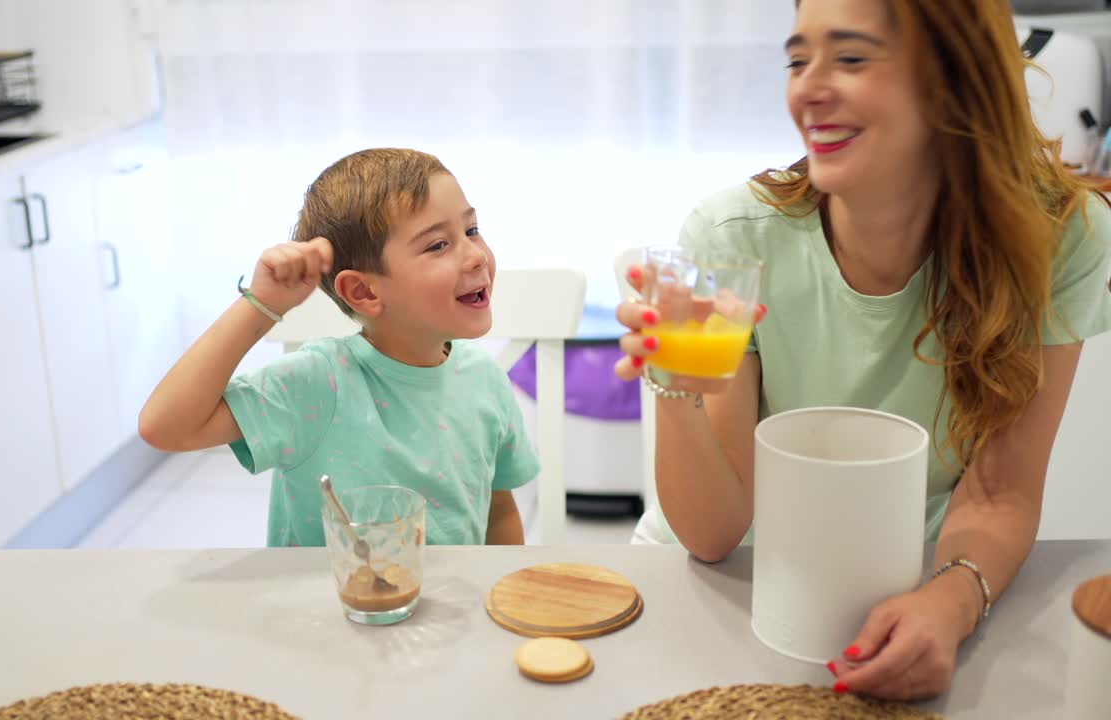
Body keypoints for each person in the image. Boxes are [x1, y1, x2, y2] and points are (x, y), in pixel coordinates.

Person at [614, 0, 1111, 702]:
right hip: (728, 582)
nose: (806, 89)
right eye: (797, 59)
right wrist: (675, 383)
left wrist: (951, 602)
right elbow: (714, 534)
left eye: (849, 58)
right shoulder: (735, 236)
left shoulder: (1065, 237)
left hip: (913, 578)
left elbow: (1001, 492)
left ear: (955, 80)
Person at [139, 148, 539, 547]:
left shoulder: (484, 379)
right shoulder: (319, 384)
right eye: (437, 245)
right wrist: (263, 306)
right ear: (363, 290)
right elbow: (165, 426)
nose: (475, 257)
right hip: (323, 609)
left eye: (471, 231)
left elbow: (498, 515)